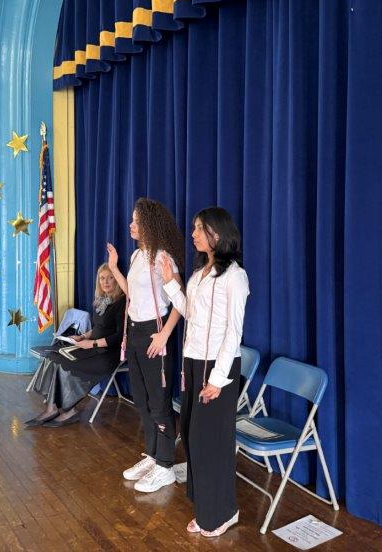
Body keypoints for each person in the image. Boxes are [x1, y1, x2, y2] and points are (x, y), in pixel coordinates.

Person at [160, 207, 249, 537]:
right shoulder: (199, 274)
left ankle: (222, 512)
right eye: (195, 227)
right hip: (194, 363)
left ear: (218, 234)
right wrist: (171, 284)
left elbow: (233, 333)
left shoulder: (235, 276)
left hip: (218, 369)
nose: (194, 233)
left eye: (200, 228)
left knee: (209, 441)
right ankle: (208, 505)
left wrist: (217, 379)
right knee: (192, 436)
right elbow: (191, 313)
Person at [106, 197, 185, 493]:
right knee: (141, 399)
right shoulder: (137, 256)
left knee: (159, 402)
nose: (131, 225)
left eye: (136, 221)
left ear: (149, 225)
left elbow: (180, 300)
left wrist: (164, 334)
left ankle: (165, 465)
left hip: (155, 333)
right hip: (136, 333)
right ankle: (153, 456)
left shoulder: (163, 258)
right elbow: (133, 294)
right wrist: (114, 268)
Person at [24, 263, 126, 427]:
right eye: (102, 278)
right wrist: (82, 337)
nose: (105, 282)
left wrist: (91, 344)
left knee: (66, 364)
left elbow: (119, 337)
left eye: (110, 278)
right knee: (53, 357)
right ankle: (51, 408)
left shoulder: (122, 303)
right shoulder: (102, 301)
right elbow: (97, 328)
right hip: (91, 347)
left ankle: (70, 411)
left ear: (117, 280)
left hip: (107, 354)